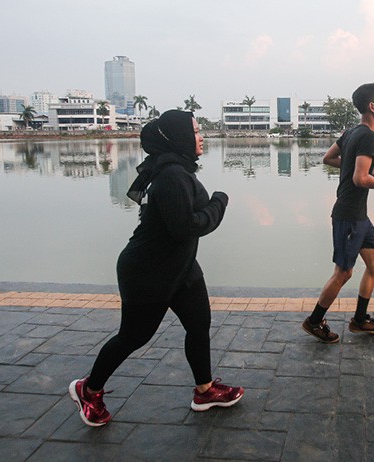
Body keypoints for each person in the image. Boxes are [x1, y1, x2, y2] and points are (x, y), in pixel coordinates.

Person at [69, 110, 243, 427]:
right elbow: (185, 227)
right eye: (194, 130)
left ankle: (205, 390)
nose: (201, 135)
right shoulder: (172, 176)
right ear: (178, 138)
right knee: (134, 337)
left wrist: (211, 204)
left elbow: (183, 221)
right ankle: (89, 389)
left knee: (199, 323)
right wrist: (219, 202)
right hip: (148, 271)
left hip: (180, 266)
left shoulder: (175, 170)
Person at [302, 83, 374, 343]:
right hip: (348, 215)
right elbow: (359, 179)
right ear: (372, 107)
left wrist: (362, 170)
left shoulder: (352, 132)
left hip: (358, 216)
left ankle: (360, 320)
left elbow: (329, 158)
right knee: (343, 272)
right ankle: (314, 321)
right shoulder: (368, 136)